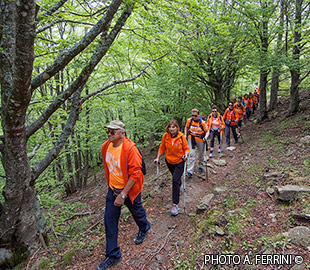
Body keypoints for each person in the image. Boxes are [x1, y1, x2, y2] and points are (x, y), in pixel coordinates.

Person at [98, 120, 151, 270]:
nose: (109, 134)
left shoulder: (130, 149)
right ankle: (113, 254)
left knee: (137, 212)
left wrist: (123, 194)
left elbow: (135, 175)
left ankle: (144, 227)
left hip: (129, 190)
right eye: (108, 131)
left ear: (122, 133)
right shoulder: (106, 146)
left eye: (112, 132)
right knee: (109, 220)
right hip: (112, 190)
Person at [154, 120, 189, 216]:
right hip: (169, 161)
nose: (172, 129)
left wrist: (186, 154)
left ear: (177, 128)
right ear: (168, 128)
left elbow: (186, 148)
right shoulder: (165, 136)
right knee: (176, 179)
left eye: (174, 127)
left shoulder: (181, 137)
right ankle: (179, 185)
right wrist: (158, 158)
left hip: (179, 162)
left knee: (174, 180)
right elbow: (162, 147)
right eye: (170, 127)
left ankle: (175, 204)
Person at [184, 108, 207, 177]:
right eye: (192, 115)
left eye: (195, 115)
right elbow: (186, 127)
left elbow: (207, 131)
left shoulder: (202, 123)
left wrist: (206, 137)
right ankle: (189, 171)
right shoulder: (189, 121)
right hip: (191, 138)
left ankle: (200, 166)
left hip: (200, 139)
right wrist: (185, 135)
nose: (194, 117)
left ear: (198, 115)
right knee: (191, 154)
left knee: (200, 154)